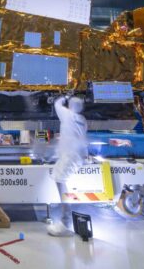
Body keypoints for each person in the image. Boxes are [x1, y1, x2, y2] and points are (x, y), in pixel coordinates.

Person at [47, 95, 88, 236]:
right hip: (75, 155)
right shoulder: (82, 120)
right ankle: (65, 217)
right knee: (57, 177)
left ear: (70, 106)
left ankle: (66, 222)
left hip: (70, 156)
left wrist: (64, 96)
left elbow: (57, 104)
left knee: (60, 180)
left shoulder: (67, 114)